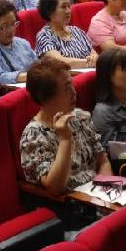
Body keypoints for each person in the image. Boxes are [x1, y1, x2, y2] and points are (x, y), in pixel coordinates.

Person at [20, 57, 111, 195]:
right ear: (45, 98)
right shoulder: (33, 135)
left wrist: (107, 190)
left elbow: (103, 161)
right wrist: (65, 140)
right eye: (67, 88)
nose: (74, 92)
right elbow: (55, 188)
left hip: (98, 195)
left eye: (72, 85)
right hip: (69, 202)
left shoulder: (80, 117)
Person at [0, 0, 37, 86]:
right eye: (4, 25)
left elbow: (37, 65)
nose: (11, 30)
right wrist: (31, 76)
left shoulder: (23, 43)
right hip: (8, 92)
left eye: (13, 23)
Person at [35, 0, 97, 67]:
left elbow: (93, 53)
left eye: (69, 6)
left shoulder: (77, 30)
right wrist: (88, 62)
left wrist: (94, 58)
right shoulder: (44, 36)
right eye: (63, 7)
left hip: (88, 71)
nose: (68, 11)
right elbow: (60, 61)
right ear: (49, 12)